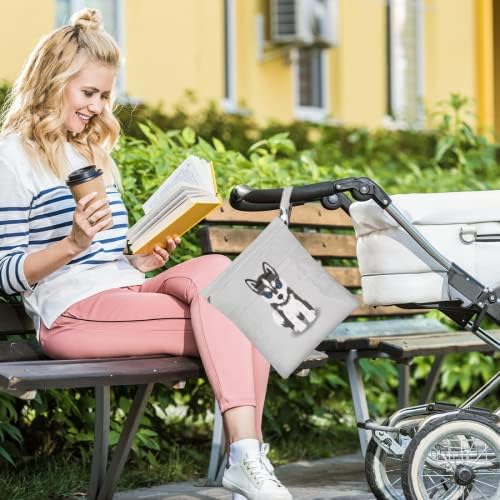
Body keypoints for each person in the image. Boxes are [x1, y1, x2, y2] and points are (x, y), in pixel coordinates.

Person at [0, 9, 292, 500]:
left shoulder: (92, 153)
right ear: (52, 81)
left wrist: (142, 258)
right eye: (88, 93)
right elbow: (6, 274)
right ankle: (247, 458)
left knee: (223, 273)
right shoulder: (12, 157)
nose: (96, 107)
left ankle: (245, 459)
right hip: (71, 313)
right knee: (247, 314)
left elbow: (109, 257)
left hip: (123, 287)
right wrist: (72, 243)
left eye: (104, 96)